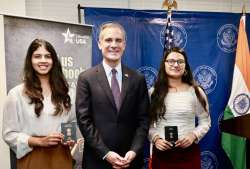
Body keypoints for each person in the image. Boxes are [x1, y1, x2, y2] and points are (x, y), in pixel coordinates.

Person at [76, 22, 149, 169]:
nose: (113, 45)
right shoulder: (86, 78)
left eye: (118, 40)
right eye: (108, 40)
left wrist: (134, 150)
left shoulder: (138, 78)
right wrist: (106, 153)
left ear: (124, 45)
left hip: (130, 161)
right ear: (99, 44)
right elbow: (84, 121)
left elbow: (144, 120)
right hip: (97, 161)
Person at [2, 39, 76, 169]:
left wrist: (69, 138)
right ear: (30, 60)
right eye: (37, 56)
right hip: (33, 158)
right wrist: (39, 141)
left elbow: (71, 124)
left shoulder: (68, 92)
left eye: (48, 56)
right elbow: (9, 134)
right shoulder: (16, 94)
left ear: (54, 61)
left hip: (61, 157)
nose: (43, 60)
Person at [148, 47, 211, 169]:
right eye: (171, 61)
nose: (176, 64)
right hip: (161, 155)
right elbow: (148, 124)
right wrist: (155, 139)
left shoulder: (196, 92)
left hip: (188, 154)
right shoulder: (153, 93)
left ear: (185, 66)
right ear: (164, 65)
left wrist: (193, 135)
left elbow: (205, 121)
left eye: (180, 61)